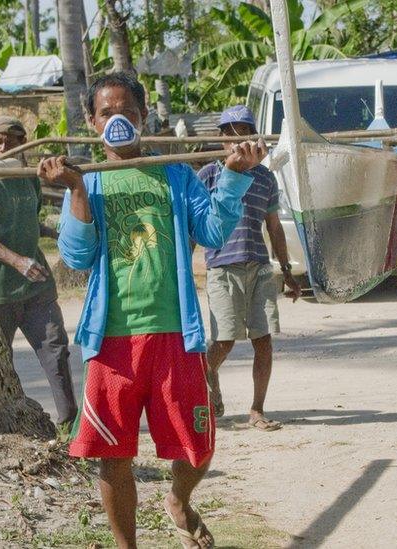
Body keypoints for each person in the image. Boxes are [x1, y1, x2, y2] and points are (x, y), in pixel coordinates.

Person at [39, 72, 266, 549]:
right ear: (90, 121)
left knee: (197, 444)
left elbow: (212, 232)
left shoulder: (175, 173)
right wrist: (77, 190)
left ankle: (179, 501)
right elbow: (78, 258)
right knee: (113, 456)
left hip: (174, 332)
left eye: (127, 111)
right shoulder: (88, 180)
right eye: (106, 113)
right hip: (112, 340)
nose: (117, 120)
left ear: (143, 117)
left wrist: (235, 177)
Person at [0, 115, 77, 429]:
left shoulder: (29, 178)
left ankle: (69, 423)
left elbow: (29, 220)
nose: (3, 148)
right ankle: (3, 425)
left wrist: (55, 232)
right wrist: (19, 262)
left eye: (10, 142)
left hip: (37, 286)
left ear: (23, 144)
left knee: (56, 352)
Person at [198, 105, 301, 432]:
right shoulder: (209, 175)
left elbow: (274, 227)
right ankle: (205, 379)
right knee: (224, 342)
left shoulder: (265, 177)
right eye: (229, 132)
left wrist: (286, 270)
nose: (236, 138)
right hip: (222, 268)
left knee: (263, 341)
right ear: (222, 138)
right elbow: (195, 224)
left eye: (243, 131)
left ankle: (256, 409)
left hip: (258, 267)